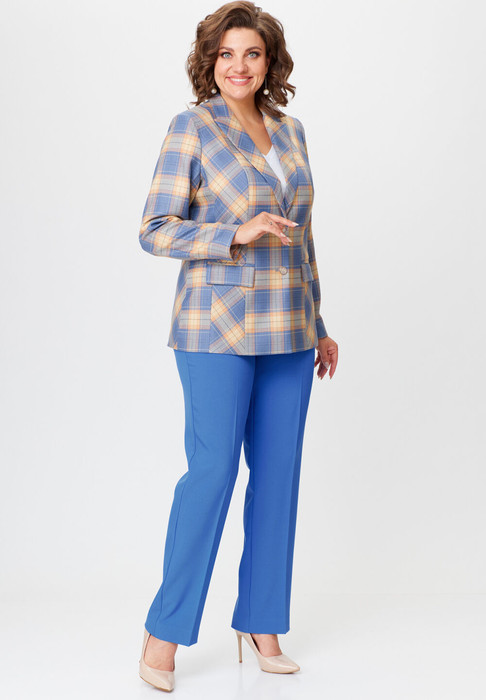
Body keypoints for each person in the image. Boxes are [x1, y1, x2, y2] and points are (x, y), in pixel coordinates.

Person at [137, 1, 338, 691]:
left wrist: (319, 322)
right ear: (210, 61)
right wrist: (233, 233)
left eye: (251, 53)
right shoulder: (191, 127)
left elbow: (303, 237)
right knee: (213, 472)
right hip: (214, 329)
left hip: (290, 329)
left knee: (279, 477)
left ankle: (261, 623)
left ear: (269, 61)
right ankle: (163, 632)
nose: (239, 66)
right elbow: (155, 228)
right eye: (226, 54)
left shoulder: (291, 130)